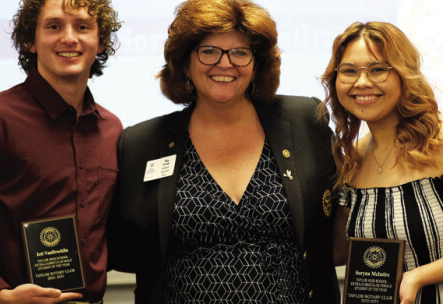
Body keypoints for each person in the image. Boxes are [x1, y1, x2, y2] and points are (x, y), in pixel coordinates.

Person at [106, 0, 339, 303]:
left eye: (240, 52)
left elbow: (340, 213)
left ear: (257, 65)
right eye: (209, 51)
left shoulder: (306, 119)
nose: (225, 64)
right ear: (185, 62)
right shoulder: (141, 143)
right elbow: (124, 250)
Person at [0, 0, 122, 303]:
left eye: (83, 27)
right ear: (30, 41)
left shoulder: (112, 130)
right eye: (54, 26)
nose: (69, 38)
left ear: (100, 42)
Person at [321, 21, 443, 303]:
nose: (362, 82)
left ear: (404, 76)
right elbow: (340, 253)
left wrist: (419, 276)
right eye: (349, 71)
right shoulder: (352, 159)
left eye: (378, 69)